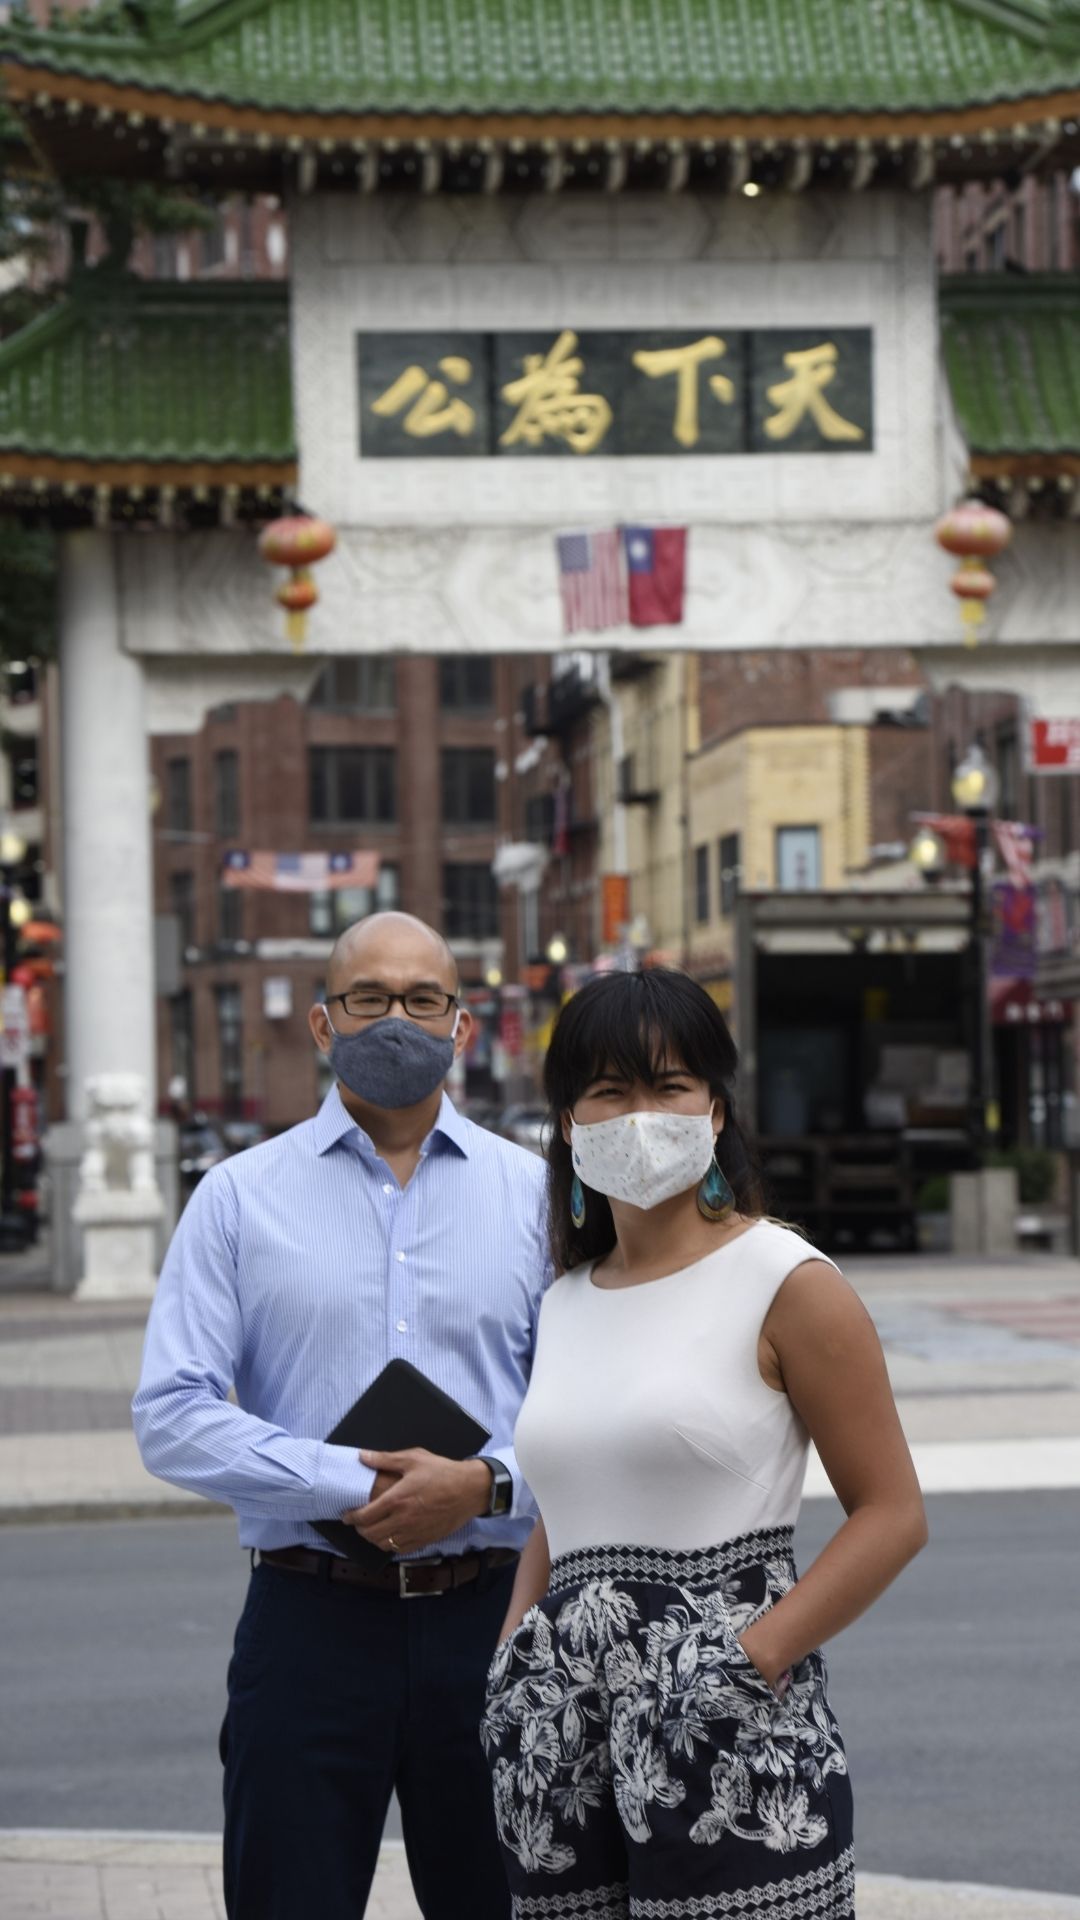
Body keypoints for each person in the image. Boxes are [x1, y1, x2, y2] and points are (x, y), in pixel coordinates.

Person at [482, 968, 927, 1920]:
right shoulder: (565, 1301)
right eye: (608, 1091)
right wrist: (514, 1649)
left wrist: (748, 1659)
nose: (641, 1115)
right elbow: (567, 1499)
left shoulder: (786, 1280)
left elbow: (893, 1514)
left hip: (732, 1732)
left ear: (716, 1110)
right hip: (560, 1736)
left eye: (670, 1086)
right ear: (567, 1122)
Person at [133, 912, 550, 1920]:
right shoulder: (236, 1199)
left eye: (423, 999)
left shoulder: (539, 1196)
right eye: (370, 998)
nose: (396, 1019)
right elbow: (172, 1414)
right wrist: (351, 1483)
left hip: (491, 1617)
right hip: (308, 1622)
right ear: (322, 1024)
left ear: (462, 1024)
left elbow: (590, 1410)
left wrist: (485, 1483)